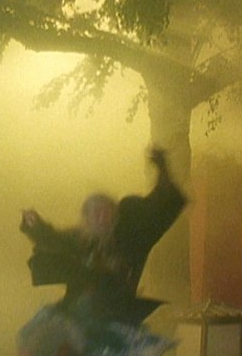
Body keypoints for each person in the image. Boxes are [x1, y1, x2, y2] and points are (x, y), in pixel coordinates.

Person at [17, 148, 187, 356]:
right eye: (96, 212)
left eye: (107, 212)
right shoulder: (78, 240)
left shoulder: (132, 241)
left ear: (115, 215)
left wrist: (162, 169)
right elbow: (52, 239)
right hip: (75, 316)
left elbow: (164, 205)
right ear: (86, 218)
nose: (102, 218)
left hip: (113, 318)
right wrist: (35, 226)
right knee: (40, 343)